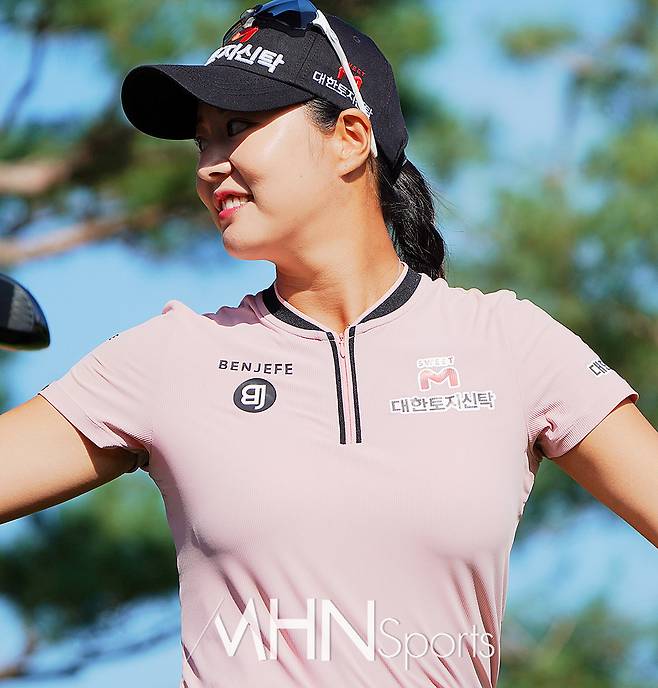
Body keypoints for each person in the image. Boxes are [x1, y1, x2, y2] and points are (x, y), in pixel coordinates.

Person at [1, 2, 657, 687]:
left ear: (349, 137)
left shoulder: (509, 344)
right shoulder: (170, 358)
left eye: (237, 128)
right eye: (201, 141)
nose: (210, 166)